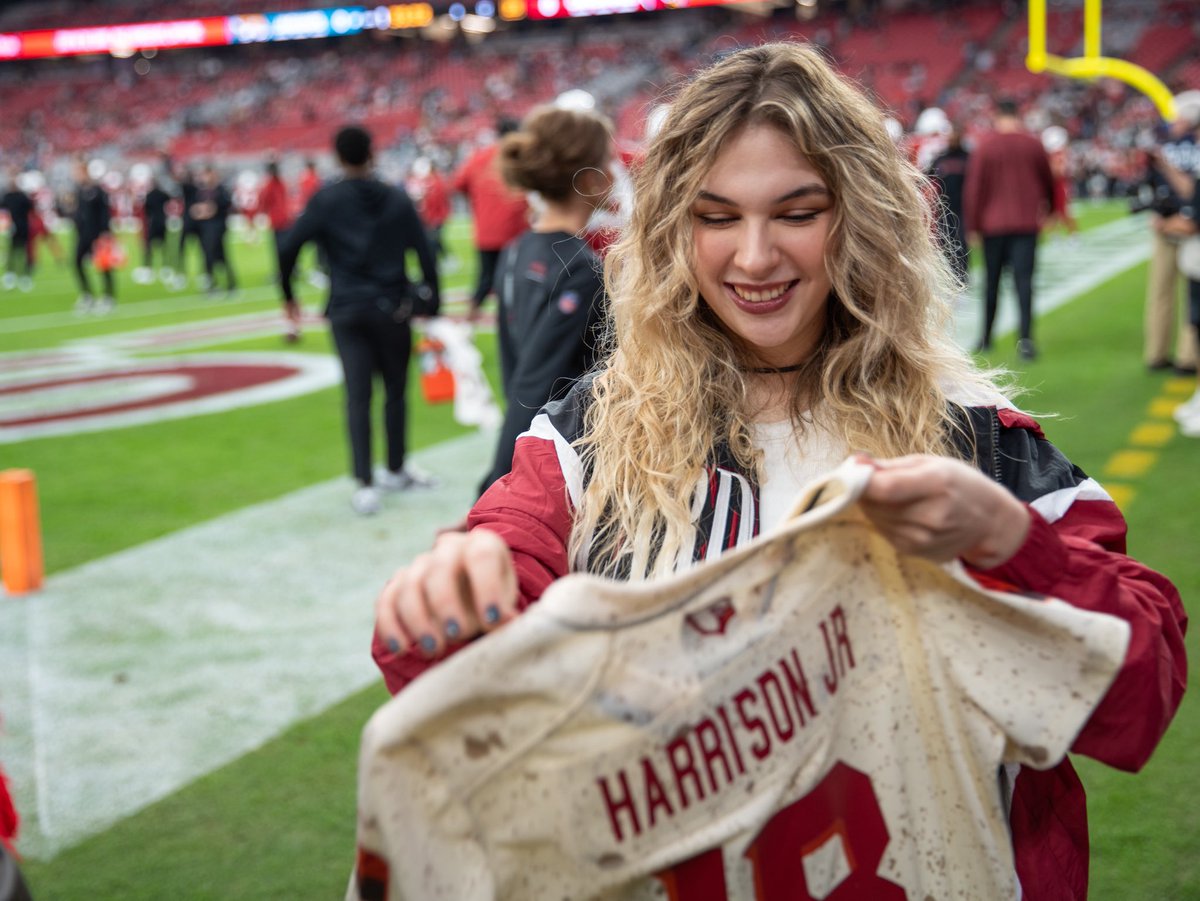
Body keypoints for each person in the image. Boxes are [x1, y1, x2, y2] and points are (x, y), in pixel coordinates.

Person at [370, 43, 1186, 900]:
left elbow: (1139, 699)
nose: (754, 258)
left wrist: (1007, 541)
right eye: (715, 217)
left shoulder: (977, 441)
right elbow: (457, 651)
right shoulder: (589, 438)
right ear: (668, 231)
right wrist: (453, 594)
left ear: (862, 215)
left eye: (796, 212)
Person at [278, 124, 441, 516]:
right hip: (392, 309)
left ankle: (365, 482)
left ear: (337, 156)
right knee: (396, 392)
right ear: (372, 152)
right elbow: (425, 251)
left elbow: (288, 247)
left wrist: (289, 296)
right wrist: (431, 302)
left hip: (347, 310)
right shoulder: (396, 198)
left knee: (357, 396)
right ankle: (396, 468)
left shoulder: (326, 199)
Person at [476, 104, 614, 496]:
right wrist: (497, 484)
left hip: (533, 446)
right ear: (588, 178)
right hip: (564, 461)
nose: (614, 173)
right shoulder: (582, 268)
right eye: (607, 162)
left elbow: (516, 373)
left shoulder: (515, 250)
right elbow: (535, 382)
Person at [964, 98, 1055, 360]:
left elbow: (975, 189)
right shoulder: (1032, 144)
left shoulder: (985, 146)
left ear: (996, 115)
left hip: (993, 225)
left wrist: (974, 225)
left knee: (991, 284)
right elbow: (1048, 179)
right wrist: (1047, 209)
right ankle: (1025, 340)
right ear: (1018, 114)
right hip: (1026, 223)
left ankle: (986, 338)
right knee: (1024, 283)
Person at [1142, 93, 1200, 374]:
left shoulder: (1169, 143)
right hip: (1173, 223)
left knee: (1187, 291)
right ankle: (1166, 353)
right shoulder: (1165, 141)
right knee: (1166, 291)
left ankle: (1182, 356)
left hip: (1189, 225)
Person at [452, 118, 530, 319]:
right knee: (520, 282)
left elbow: (458, 184)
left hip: (487, 231)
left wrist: (478, 200)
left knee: (485, 280)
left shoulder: (479, 157)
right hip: (517, 233)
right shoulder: (521, 157)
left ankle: (467, 321)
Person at [255, 160, 298, 340]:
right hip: (285, 227)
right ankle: (292, 321)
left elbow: (263, 205)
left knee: (285, 275)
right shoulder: (280, 183)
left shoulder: (275, 185)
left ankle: (291, 322)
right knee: (285, 275)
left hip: (283, 228)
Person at [69, 157, 116, 314]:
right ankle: (87, 294)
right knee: (76, 262)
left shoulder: (97, 191)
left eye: (77, 171)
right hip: (82, 234)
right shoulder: (79, 190)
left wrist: (105, 234)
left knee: (103, 266)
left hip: (97, 235)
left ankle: (108, 296)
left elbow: (105, 214)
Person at [926, 124, 970, 286]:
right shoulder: (941, 159)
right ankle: (952, 275)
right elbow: (927, 177)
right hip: (944, 208)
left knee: (962, 242)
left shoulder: (968, 158)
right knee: (947, 243)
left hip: (963, 208)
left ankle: (962, 277)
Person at [190, 165, 237, 297]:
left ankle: (230, 284)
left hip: (217, 229)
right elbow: (195, 210)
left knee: (221, 257)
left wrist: (208, 210)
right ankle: (212, 284)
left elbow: (217, 209)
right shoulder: (201, 192)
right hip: (205, 230)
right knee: (207, 257)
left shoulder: (220, 191)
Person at [134, 175, 172, 285]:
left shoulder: (149, 195)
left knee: (149, 247)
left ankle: (148, 267)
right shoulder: (162, 194)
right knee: (163, 247)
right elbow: (169, 199)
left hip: (153, 223)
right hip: (162, 221)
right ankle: (165, 267)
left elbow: (145, 209)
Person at [0, 170, 34, 293]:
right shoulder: (6, 196)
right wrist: (6, 225)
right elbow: (3, 212)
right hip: (11, 229)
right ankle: (10, 275)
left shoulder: (23, 196)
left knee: (23, 253)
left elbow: (31, 210)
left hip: (23, 228)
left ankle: (24, 275)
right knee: (11, 253)